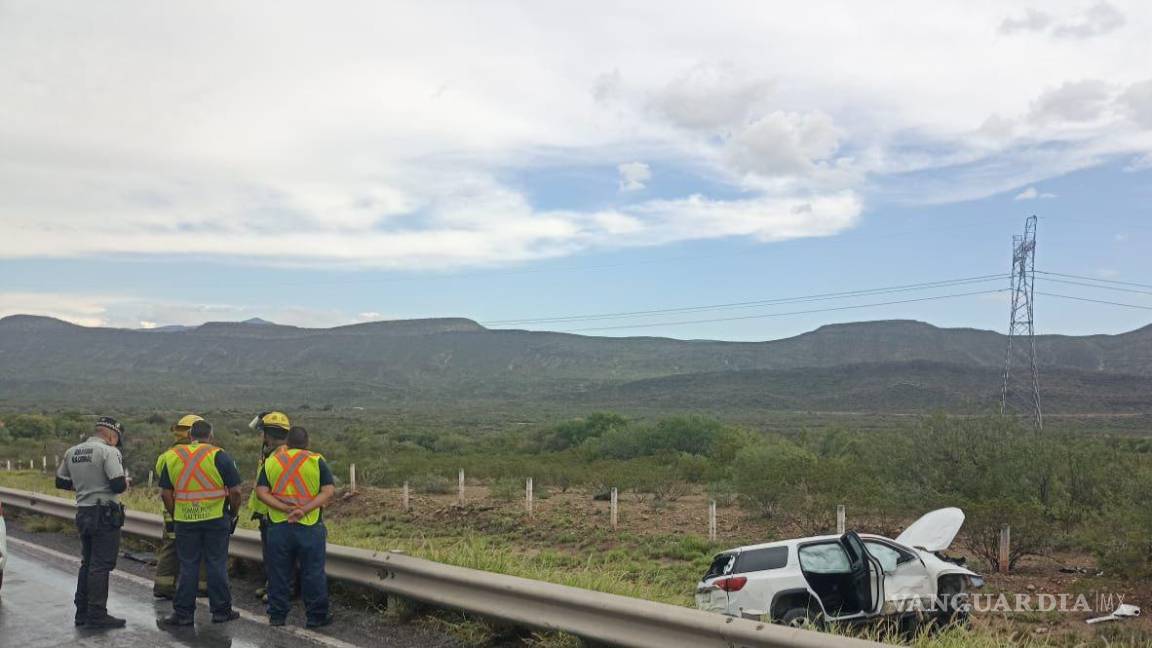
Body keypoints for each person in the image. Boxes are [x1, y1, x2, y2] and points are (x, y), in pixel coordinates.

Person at [157, 419, 243, 626]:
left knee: (188, 565)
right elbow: (236, 491)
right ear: (210, 436)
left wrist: (176, 513)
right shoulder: (219, 456)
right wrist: (232, 512)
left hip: (185, 520)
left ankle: (183, 614)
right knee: (216, 564)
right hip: (215, 519)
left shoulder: (173, 456)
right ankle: (221, 611)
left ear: (189, 436)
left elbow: (165, 493)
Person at [256, 426, 335, 628]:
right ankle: (317, 617)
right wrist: (304, 509)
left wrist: (283, 507)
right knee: (313, 572)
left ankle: (277, 616)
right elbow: (327, 491)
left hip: (279, 527)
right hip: (309, 526)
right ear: (307, 443)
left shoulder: (272, 461)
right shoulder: (316, 461)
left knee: (279, 573)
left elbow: (261, 492)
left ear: (287, 443)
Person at [55, 416, 129, 629]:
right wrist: (124, 482)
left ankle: (82, 612)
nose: (116, 443)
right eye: (116, 438)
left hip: (84, 512)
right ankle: (97, 614)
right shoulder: (109, 451)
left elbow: (60, 481)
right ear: (111, 435)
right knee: (101, 565)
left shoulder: (73, 451)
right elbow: (117, 485)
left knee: (87, 563)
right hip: (104, 513)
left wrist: (83, 487)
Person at [153, 414, 209, 599]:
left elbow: (165, 483)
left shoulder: (166, 456)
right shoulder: (203, 455)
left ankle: (164, 586)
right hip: (196, 511)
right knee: (200, 548)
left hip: (171, 510)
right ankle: (202, 586)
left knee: (170, 547)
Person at [247, 410, 292, 601]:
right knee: (271, 553)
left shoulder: (278, 457)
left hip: (275, 512)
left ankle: (281, 589)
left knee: (278, 555)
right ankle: (271, 585)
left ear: (268, 435)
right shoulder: (272, 454)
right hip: (267, 511)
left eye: (263, 432)